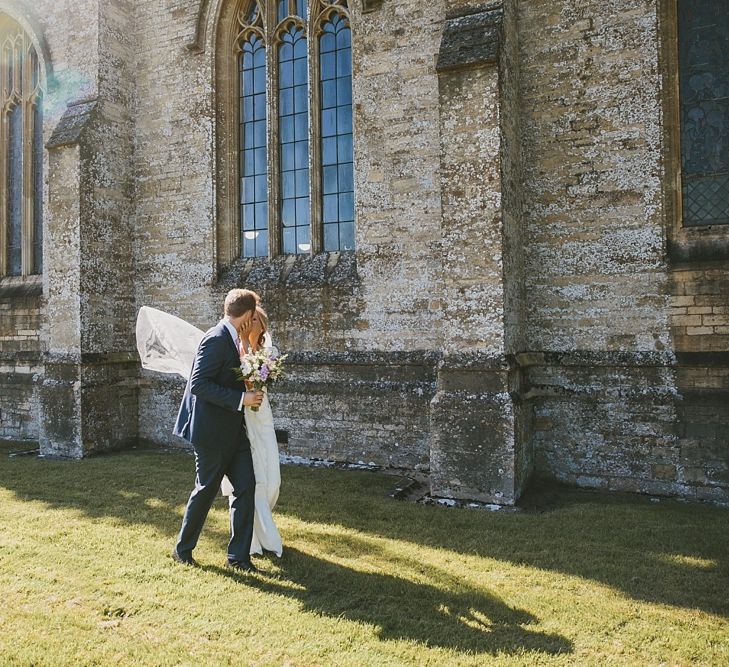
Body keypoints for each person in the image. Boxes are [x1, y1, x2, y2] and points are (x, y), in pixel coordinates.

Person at [171, 289, 264, 572]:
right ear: (248, 315)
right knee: (206, 490)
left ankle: (238, 557)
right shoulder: (215, 339)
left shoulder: (235, 339)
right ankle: (182, 550)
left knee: (246, 487)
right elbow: (199, 384)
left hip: (234, 432)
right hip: (211, 433)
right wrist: (242, 399)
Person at [221, 306, 283, 557]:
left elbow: (257, 381)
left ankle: (261, 524)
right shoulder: (236, 349)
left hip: (263, 418)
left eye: (254, 318)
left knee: (272, 481)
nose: (249, 321)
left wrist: (249, 344)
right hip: (243, 418)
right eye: (247, 318)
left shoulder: (270, 351)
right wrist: (245, 342)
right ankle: (258, 538)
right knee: (254, 478)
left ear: (262, 325)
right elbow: (243, 383)